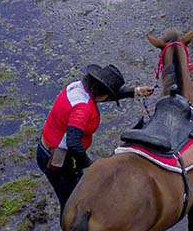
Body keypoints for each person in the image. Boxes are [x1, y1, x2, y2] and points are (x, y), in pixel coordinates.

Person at [36, 63, 144, 219]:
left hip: (49, 147)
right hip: (55, 159)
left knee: (74, 192)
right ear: (102, 93)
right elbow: (73, 142)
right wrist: (88, 165)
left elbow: (102, 95)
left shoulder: (77, 87)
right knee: (70, 203)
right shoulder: (82, 109)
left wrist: (135, 92)